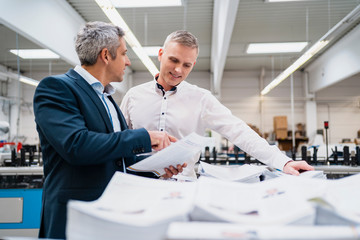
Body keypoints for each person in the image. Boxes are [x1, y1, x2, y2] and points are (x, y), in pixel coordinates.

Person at [33, 22, 185, 239]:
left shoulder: (107, 98)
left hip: (111, 213)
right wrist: (143, 136)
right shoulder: (57, 88)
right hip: (75, 216)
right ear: (106, 55)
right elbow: (77, 145)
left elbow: (114, 159)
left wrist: (157, 168)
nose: (128, 61)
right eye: (123, 53)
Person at [120, 30, 314, 179]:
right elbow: (118, 142)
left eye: (187, 65)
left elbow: (238, 130)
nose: (178, 69)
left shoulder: (201, 98)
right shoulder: (134, 96)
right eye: (173, 60)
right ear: (161, 54)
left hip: (182, 186)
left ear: (193, 65)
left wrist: (283, 162)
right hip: (138, 183)